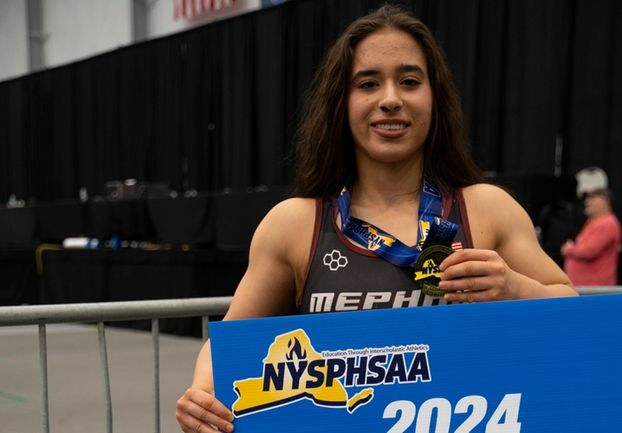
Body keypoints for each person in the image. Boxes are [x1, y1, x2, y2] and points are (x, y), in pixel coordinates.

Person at [176, 5, 576, 432]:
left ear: (434, 97)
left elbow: (572, 312)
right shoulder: (294, 224)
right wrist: (201, 394)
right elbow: (229, 344)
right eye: (368, 83)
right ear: (341, 103)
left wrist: (515, 288)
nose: (390, 99)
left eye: (409, 81)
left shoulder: (487, 208)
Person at [560, 187, 622, 285]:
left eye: (592, 198)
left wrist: (568, 249)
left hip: (596, 290)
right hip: (584, 288)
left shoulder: (608, 223)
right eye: (587, 198)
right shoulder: (592, 221)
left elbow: (589, 251)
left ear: (604, 201)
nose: (587, 202)